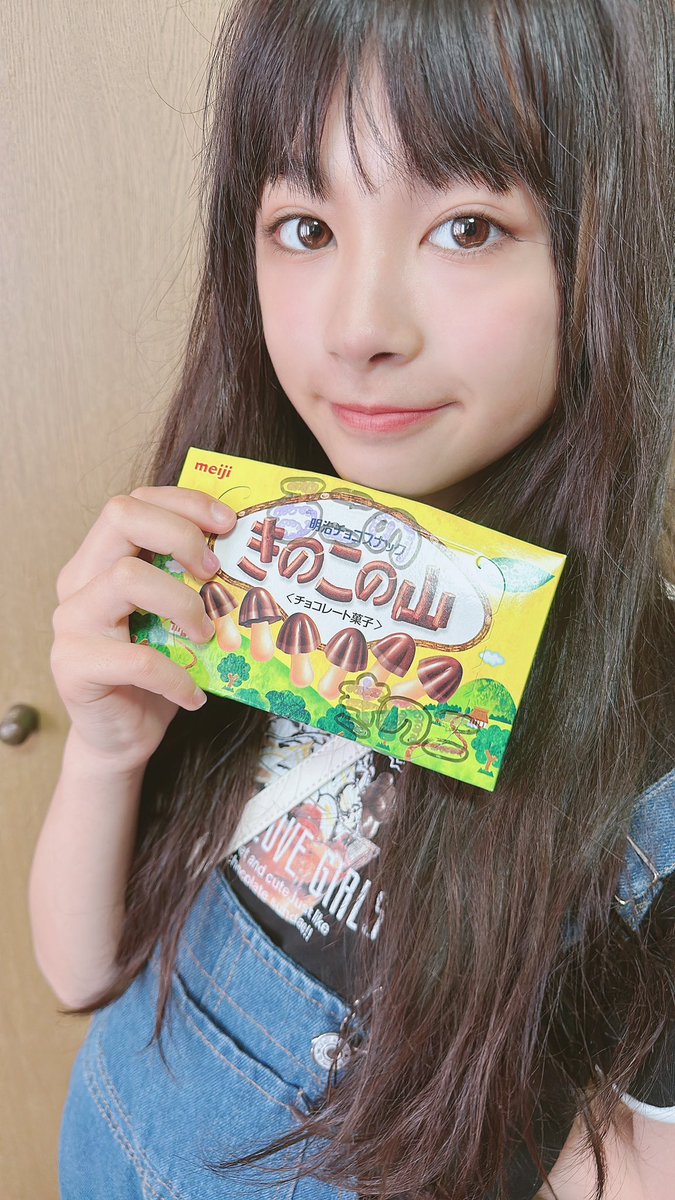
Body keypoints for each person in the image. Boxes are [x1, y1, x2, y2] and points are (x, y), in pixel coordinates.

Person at [28, 1, 675, 1197]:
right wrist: (106, 752)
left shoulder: (653, 759)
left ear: (612, 245)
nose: (357, 328)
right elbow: (82, 975)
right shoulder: (231, 557)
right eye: (306, 226)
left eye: (468, 226)